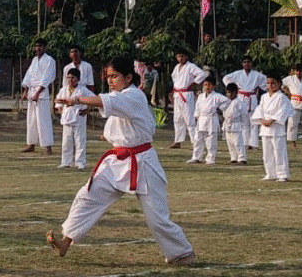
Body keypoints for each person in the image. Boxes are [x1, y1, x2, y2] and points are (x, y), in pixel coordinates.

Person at [45, 57, 195, 266]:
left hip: (142, 162)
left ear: (128, 77)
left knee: (157, 218)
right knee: (88, 195)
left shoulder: (134, 95)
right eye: (108, 77)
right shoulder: (121, 97)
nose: (110, 81)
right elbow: (114, 110)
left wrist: (77, 100)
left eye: (114, 77)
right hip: (117, 161)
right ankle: (66, 242)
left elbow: (105, 101)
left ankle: (182, 253)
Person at [252, 74, 294, 182]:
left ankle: (282, 174)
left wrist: (272, 120)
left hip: (276, 128)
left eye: (273, 83)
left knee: (279, 152)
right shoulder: (264, 97)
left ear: (279, 84)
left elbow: (284, 110)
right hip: (265, 128)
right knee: (267, 153)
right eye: (268, 83)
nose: (270, 85)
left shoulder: (282, 97)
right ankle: (270, 173)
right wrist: (262, 120)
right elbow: (259, 110)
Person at [21, 39, 56, 155]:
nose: (38, 48)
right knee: (31, 120)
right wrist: (25, 91)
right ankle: (31, 144)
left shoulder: (50, 60)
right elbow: (29, 76)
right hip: (32, 92)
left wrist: (38, 92)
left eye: (40, 46)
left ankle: (47, 147)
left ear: (45, 47)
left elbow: (47, 77)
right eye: (36, 46)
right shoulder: (34, 60)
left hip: (42, 93)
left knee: (43, 121)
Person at [168, 49, 209, 149]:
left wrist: (194, 83)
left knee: (189, 119)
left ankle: (195, 142)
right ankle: (178, 141)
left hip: (186, 94)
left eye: (182, 56)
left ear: (186, 56)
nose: (180, 58)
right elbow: (174, 79)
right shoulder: (177, 67)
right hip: (178, 94)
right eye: (178, 56)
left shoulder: (191, 66)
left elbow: (202, 74)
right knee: (177, 118)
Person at [224, 56, 265, 148]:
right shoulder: (237, 73)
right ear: (242, 64)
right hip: (241, 96)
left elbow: (265, 83)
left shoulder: (257, 75)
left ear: (251, 64)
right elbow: (225, 78)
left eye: (248, 62)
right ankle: (245, 143)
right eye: (245, 62)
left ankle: (254, 143)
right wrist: (233, 88)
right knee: (243, 120)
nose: (247, 64)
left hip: (252, 96)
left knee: (254, 120)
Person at [55, 69, 92, 170]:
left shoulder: (83, 90)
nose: (70, 80)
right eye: (69, 77)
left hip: (79, 118)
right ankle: (66, 162)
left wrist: (87, 110)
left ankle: (80, 162)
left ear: (78, 79)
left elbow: (93, 99)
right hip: (67, 118)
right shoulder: (63, 90)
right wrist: (61, 111)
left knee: (79, 141)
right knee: (66, 142)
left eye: (73, 78)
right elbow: (58, 103)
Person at [190, 79, 228, 165]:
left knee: (211, 141)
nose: (207, 87)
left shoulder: (217, 96)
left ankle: (210, 159)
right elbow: (197, 107)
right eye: (205, 85)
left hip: (211, 119)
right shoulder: (200, 96)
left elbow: (227, 101)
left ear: (213, 86)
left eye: (209, 85)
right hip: (201, 119)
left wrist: (219, 109)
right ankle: (196, 157)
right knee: (197, 140)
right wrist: (197, 116)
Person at [222, 83, 248, 164]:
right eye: (228, 92)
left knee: (237, 142)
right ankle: (233, 157)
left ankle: (241, 157)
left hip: (236, 124)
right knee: (230, 142)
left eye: (232, 92)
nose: (230, 94)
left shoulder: (240, 103)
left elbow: (244, 115)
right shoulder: (225, 102)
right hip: (227, 123)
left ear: (236, 92)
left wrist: (245, 126)